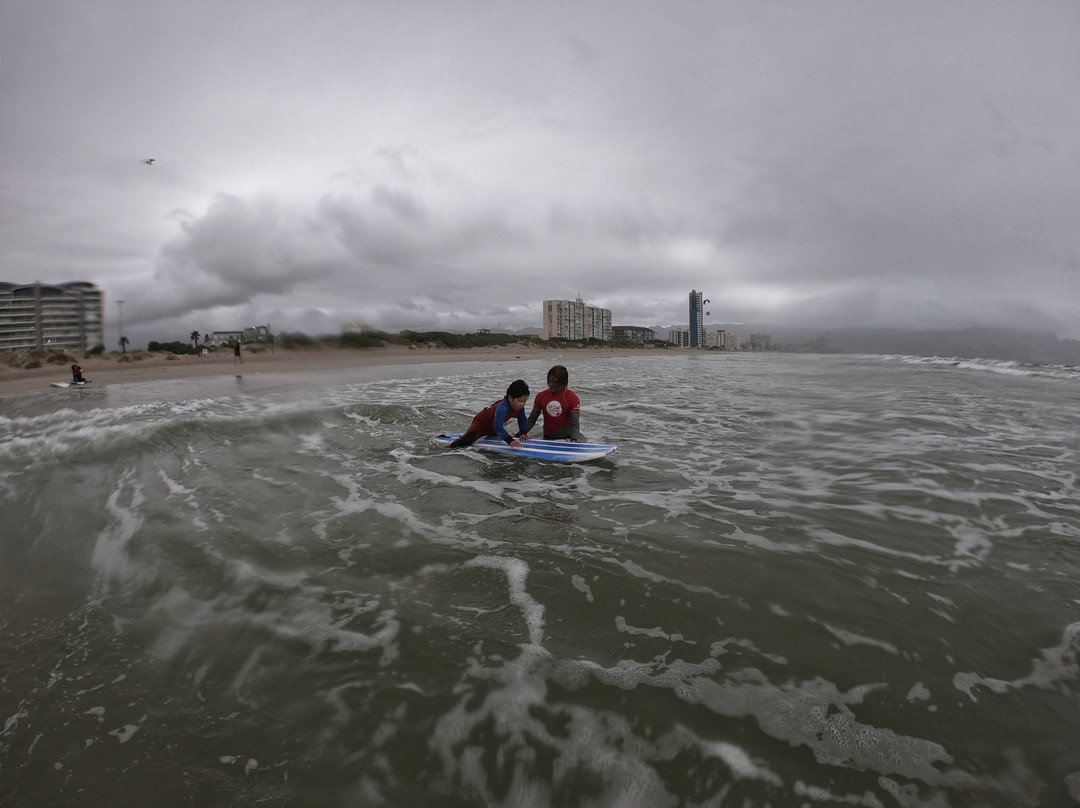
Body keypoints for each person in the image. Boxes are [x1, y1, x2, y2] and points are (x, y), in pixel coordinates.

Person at [449, 380, 532, 449]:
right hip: (481, 424)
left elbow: (522, 419)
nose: (522, 404)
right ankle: (446, 448)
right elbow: (498, 427)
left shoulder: (519, 407)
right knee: (465, 442)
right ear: (510, 398)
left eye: (525, 401)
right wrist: (510, 441)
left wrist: (523, 433)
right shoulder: (503, 407)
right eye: (520, 401)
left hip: (494, 429)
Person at [524, 364, 584, 442]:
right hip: (548, 438)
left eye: (555, 382)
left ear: (563, 382)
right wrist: (520, 434)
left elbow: (575, 424)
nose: (551, 384)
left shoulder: (572, 398)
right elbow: (531, 420)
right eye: (549, 380)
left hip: (567, 439)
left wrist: (574, 440)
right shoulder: (541, 396)